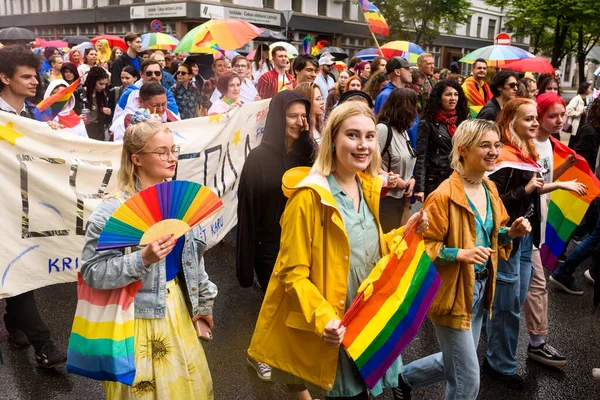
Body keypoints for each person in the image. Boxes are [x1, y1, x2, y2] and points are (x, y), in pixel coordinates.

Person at [247, 100, 427, 400]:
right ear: (332, 140)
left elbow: (371, 249)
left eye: (369, 136)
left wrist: (407, 232)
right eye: (352, 135)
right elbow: (292, 273)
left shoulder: (367, 187)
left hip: (369, 321)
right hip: (337, 326)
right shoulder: (308, 198)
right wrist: (324, 320)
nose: (363, 145)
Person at [81, 116, 216, 399]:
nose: (171, 158)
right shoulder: (112, 211)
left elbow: (193, 258)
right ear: (137, 159)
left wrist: (204, 303)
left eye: (173, 150)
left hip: (177, 309)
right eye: (161, 152)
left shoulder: (177, 201)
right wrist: (142, 259)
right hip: (134, 319)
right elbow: (92, 271)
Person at [399, 119, 531, 400]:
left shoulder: (489, 188)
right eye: (485, 145)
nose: (494, 151)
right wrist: (460, 253)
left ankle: (402, 378)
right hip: (453, 293)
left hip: (481, 290)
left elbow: (495, 235)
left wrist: (511, 233)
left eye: (497, 145)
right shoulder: (443, 196)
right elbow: (422, 247)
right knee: (467, 381)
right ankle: (402, 378)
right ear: (463, 149)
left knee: (456, 360)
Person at [236, 91, 314, 382]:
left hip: (303, 241)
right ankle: (258, 354)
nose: (299, 122)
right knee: (273, 302)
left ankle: (281, 354)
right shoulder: (257, 159)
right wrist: (245, 264)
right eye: (292, 115)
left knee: (296, 303)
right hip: (268, 245)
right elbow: (247, 211)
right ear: (278, 118)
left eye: (303, 116)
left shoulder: (310, 154)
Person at [0, 44, 66, 368]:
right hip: (3, 210)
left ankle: (14, 324)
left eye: (35, 75)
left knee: (20, 268)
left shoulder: (33, 114)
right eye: (26, 76)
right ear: (4, 78)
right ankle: (44, 346)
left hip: (24, 205)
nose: (34, 81)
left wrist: (50, 135)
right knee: (18, 267)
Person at [519, 92, 585, 369]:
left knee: (526, 285)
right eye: (552, 116)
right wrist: (560, 185)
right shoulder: (528, 144)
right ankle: (536, 343)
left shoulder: (550, 146)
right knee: (536, 285)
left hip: (538, 224)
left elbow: (542, 180)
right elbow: (531, 187)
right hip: (524, 225)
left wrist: (564, 170)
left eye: (563, 115)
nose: (560, 120)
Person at [484, 97, 544, 388]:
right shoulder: (504, 156)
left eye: (536, 117)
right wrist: (526, 188)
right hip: (509, 239)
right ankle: (500, 365)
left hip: (524, 237)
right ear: (511, 122)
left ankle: (494, 351)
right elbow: (492, 205)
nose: (535, 122)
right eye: (529, 118)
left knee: (513, 301)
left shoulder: (526, 150)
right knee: (508, 306)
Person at [414, 80, 468, 202]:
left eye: (456, 94)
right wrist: (420, 188)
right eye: (448, 94)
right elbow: (421, 156)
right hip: (435, 179)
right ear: (439, 97)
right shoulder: (427, 123)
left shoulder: (461, 122)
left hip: (457, 177)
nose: (453, 98)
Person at [377, 88, 418, 231]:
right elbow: (368, 164)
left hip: (402, 200)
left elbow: (408, 159)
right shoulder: (383, 130)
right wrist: (391, 178)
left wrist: (411, 178)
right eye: (412, 105)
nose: (416, 110)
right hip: (385, 199)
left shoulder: (403, 132)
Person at [113, 59, 180, 133]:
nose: (153, 76)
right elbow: (118, 120)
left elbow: (176, 121)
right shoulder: (129, 93)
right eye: (149, 73)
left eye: (157, 73)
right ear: (141, 74)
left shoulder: (166, 93)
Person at [113, 82, 180, 140]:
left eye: (164, 104)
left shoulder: (169, 116)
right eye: (155, 105)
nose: (161, 109)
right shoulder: (125, 121)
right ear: (140, 101)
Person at [83, 66, 111, 141]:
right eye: (101, 84)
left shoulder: (103, 94)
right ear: (93, 81)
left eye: (105, 84)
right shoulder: (81, 93)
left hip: (99, 128)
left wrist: (109, 111)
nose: (103, 87)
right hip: (85, 129)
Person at [566, 81, 592, 145]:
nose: (591, 90)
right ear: (585, 89)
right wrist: (580, 113)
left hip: (583, 125)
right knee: (573, 142)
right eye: (589, 88)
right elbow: (568, 111)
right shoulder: (576, 99)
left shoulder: (587, 99)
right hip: (576, 125)